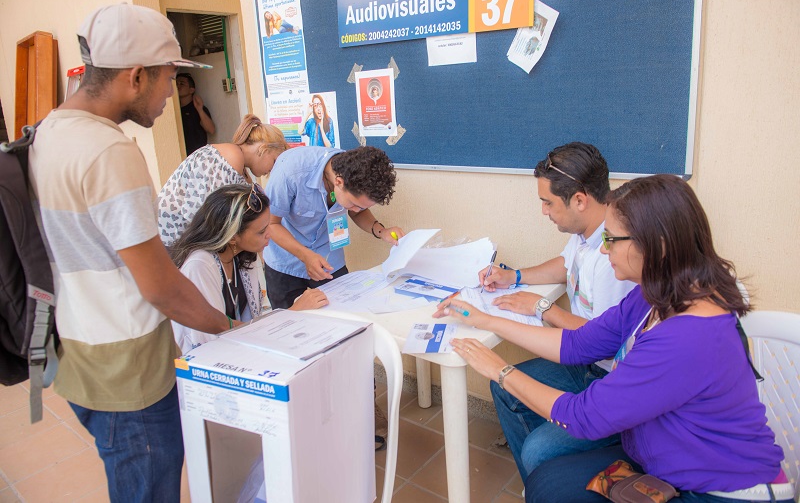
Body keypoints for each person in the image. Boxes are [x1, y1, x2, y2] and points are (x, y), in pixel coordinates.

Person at [438, 175, 792, 503]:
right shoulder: (653, 294)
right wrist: (485, 319)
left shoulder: (688, 337)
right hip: (661, 455)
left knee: (549, 485)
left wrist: (500, 371)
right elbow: (576, 344)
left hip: (717, 489)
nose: (604, 251)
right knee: (548, 482)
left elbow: (583, 416)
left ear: (659, 245)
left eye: (611, 239)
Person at [27, 3, 234, 502]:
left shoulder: (45, 133)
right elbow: (160, 285)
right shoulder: (110, 152)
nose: (171, 94)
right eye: (168, 79)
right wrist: (230, 330)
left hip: (78, 353)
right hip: (130, 375)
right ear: (136, 76)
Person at [479, 142, 635, 478]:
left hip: (607, 376)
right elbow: (565, 264)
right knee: (503, 387)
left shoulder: (616, 258)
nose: (544, 212)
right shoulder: (585, 232)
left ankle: (551, 470)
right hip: (584, 364)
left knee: (539, 448)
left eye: (548, 202)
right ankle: (543, 484)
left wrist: (541, 306)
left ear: (579, 200)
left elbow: (598, 339)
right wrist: (514, 276)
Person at [169, 184, 327, 354]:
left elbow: (251, 323)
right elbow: (211, 337)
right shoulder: (200, 266)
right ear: (232, 237)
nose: (269, 235)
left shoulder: (244, 256)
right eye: (261, 231)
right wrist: (292, 313)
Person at [263, 145, 404, 310]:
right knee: (286, 324)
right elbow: (270, 224)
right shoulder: (291, 172)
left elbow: (358, 213)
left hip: (328, 258)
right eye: (354, 204)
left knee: (344, 313)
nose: (357, 210)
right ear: (339, 182)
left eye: (362, 207)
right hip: (285, 260)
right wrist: (305, 255)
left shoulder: (356, 173)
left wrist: (382, 231)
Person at [158, 113, 288, 247]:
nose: (272, 170)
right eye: (274, 161)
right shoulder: (232, 156)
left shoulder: (238, 164)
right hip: (173, 239)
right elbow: (215, 219)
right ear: (263, 149)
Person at [176, 72, 215, 156]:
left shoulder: (198, 108)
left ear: (191, 90)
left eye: (182, 84)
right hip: (180, 155)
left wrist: (199, 109)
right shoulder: (174, 111)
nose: (178, 86)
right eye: (176, 84)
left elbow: (211, 130)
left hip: (198, 156)